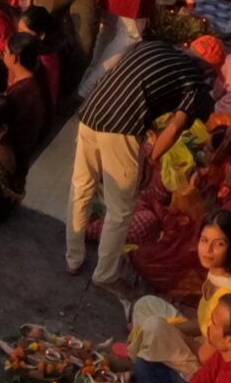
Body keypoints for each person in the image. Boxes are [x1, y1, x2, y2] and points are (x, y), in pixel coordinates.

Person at [68, 38, 215, 290]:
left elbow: (134, 87)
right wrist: (152, 158)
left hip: (91, 111)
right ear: (210, 69)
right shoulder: (196, 82)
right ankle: (104, 273)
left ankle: (73, 258)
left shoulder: (155, 46)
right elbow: (176, 126)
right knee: (121, 209)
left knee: (82, 185)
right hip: (121, 128)